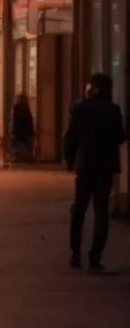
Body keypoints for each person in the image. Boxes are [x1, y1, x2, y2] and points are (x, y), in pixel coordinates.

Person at [63, 74, 126, 274]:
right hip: (105, 167)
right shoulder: (114, 110)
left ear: (93, 88)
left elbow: (71, 137)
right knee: (101, 211)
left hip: (85, 165)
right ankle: (95, 257)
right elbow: (120, 136)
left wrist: (70, 160)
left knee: (79, 209)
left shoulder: (81, 108)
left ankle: (75, 255)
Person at [10, 93, 36, 164]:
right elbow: (29, 121)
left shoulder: (18, 108)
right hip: (26, 131)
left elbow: (15, 121)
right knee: (25, 147)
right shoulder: (25, 108)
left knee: (20, 146)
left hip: (20, 132)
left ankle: (26, 158)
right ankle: (28, 158)